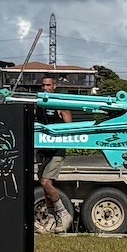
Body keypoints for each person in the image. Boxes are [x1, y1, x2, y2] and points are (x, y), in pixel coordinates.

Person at [36, 76, 75, 232]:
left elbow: (69, 126)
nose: (45, 88)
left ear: (54, 86)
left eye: (48, 85)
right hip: (43, 148)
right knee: (45, 186)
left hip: (56, 149)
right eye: (43, 85)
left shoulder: (59, 103)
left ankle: (63, 213)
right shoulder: (40, 104)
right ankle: (52, 219)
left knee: (46, 182)